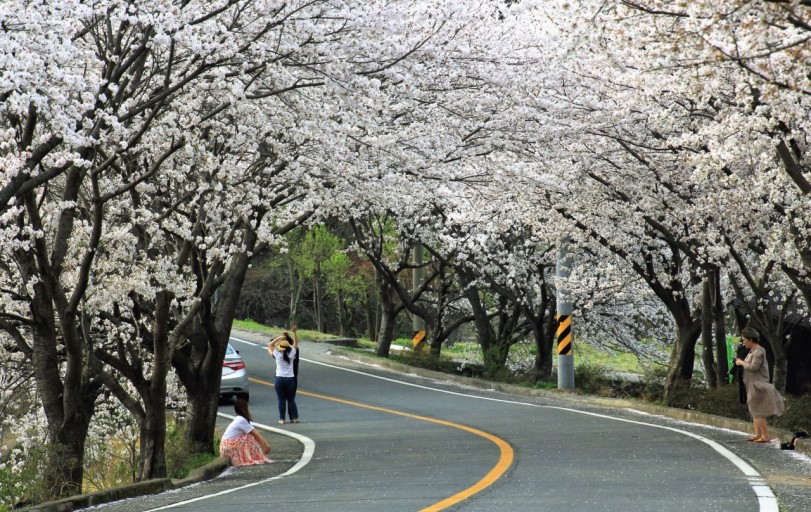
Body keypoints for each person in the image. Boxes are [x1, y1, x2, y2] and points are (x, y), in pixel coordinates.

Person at [733, 326, 786, 443]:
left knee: (757, 411)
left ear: (751, 339)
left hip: (757, 385)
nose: (743, 342)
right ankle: (758, 434)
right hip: (751, 384)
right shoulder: (752, 351)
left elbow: (754, 367)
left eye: (744, 339)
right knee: (753, 410)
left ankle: (765, 436)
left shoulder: (758, 351)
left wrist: (741, 362)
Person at [219, 399, 271, 466]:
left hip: (225, 447)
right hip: (228, 447)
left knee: (248, 434)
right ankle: (254, 456)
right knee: (249, 436)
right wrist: (265, 445)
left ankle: (247, 456)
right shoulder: (241, 420)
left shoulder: (238, 418)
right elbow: (255, 433)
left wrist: (265, 443)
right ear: (244, 408)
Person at [268, 327, 300, 424]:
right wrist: (294, 333)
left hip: (279, 379)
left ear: (280, 348)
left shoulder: (277, 355)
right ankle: (295, 418)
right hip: (290, 379)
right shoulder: (292, 354)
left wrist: (279, 337)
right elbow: (296, 343)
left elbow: (270, 345)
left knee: (281, 399)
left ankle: (282, 419)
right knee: (291, 399)